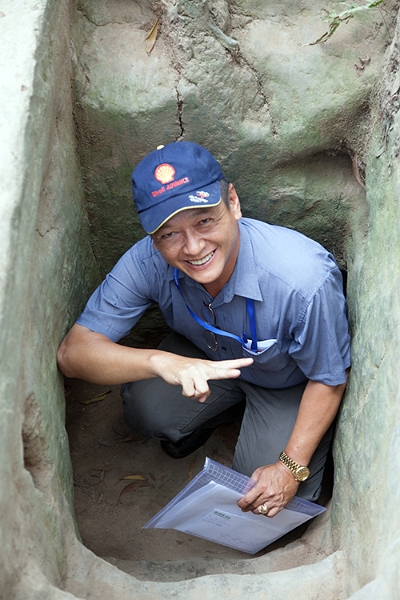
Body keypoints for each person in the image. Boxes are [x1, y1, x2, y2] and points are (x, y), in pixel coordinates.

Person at [57, 141, 350, 519]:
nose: (193, 247)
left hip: (288, 383)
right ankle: (215, 417)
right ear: (153, 237)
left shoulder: (302, 280)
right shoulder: (147, 260)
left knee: (262, 501)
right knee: (146, 409)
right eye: (169, 234)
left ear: (233, 202)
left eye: (204, 220)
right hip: (204, 358)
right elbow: (72, 353)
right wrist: (163, 362)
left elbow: (330, 377)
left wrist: (289, 467)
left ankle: (266, 433)